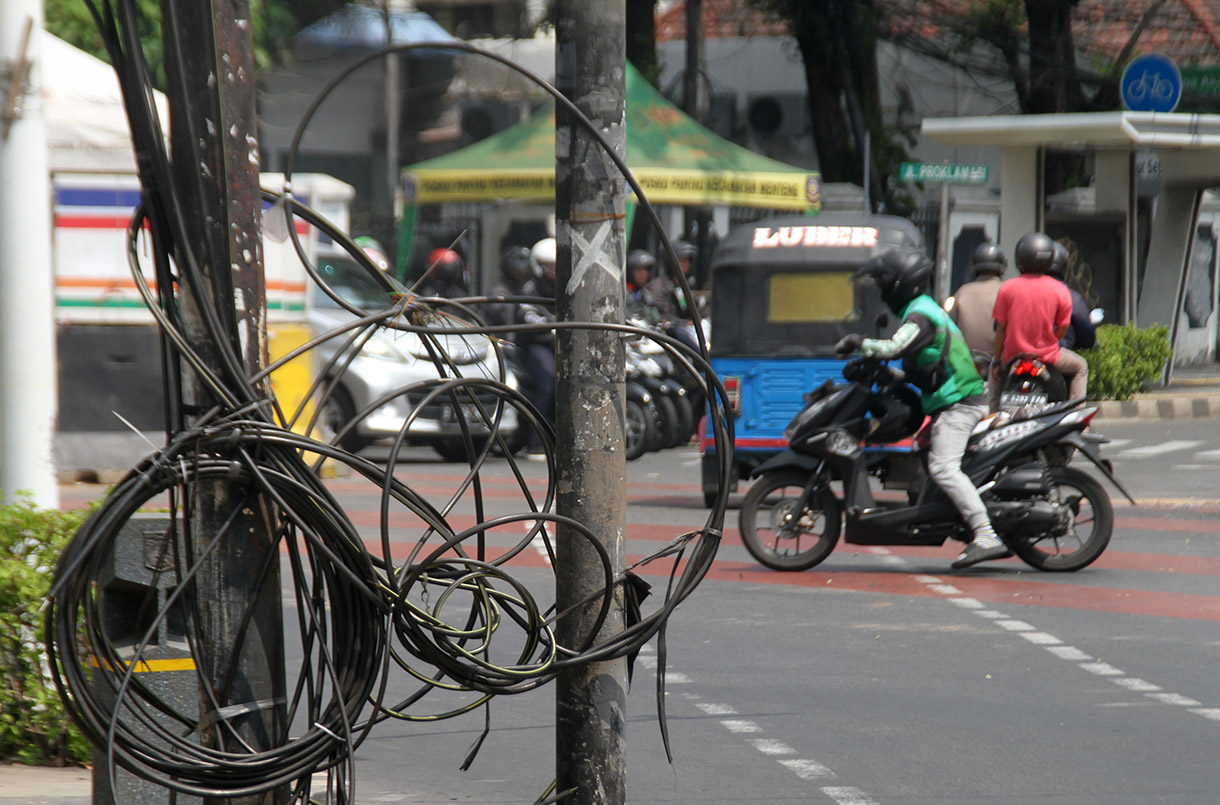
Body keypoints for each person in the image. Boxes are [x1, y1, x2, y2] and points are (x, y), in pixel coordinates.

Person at [836, 248, 1004, 570]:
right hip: (950, 401)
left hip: (960, 405)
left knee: (943, 468)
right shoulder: (921, 309)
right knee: (927, 458)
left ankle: (985, 534)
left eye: (884, 284)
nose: (883, 292)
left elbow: (894, 347)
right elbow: (927, 371)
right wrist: (890, 375)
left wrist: (858, 342)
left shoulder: (921, 314)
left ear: (902, 284)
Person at [992, 233, 1084, 400]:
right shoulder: (1060, 290)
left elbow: (1001, 329)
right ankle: (1076, 414)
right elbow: (1062, 330)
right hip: (1048, 357)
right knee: (1081, 367)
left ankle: (993, 414)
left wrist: (998, 361)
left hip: (1012, 357)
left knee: (994, 372)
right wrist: (1050, 337)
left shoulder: (1007, 288)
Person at [1048, 241, 1097, 352]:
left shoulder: (1017, 290)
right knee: (1082, 366)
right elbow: (1087, 336)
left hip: (1017, 354)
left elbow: (1001, 325)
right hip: (1055, 353)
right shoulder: (1069, 296)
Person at [625, 249, 662, 323]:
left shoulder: (647, 295)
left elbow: (655, 319)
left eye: (645, 270)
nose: (642, 274)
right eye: (638, 270)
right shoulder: (623, 294)